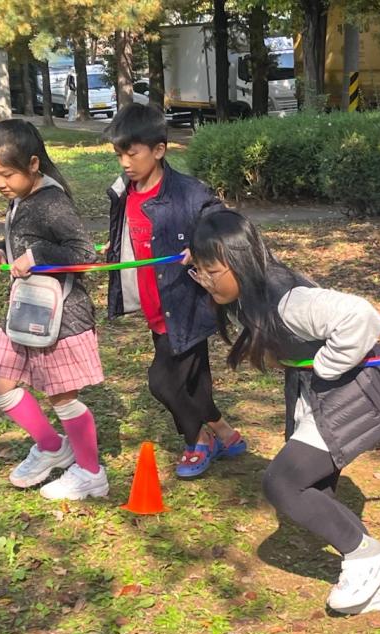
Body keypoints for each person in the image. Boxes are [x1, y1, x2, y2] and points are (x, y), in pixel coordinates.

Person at [190, 209, 380, 614]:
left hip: (358, 388)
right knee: (314, 487)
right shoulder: (242, 290)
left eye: (211, 270)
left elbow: (361, 316)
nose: (204, 280)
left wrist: (324, 365)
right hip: (322, 392)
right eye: (199, 270)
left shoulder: (291, 300)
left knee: (283, 482)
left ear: (239, 261)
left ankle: (368, 556)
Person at [104, 103, 246, 478]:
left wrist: (202, 244)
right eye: (119, 154)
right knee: (195, 380)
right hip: (156, 308)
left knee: (163, 382)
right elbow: (132, 232)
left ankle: (198, 440)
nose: (125, 163)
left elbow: (225, 221)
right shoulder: (124, 192)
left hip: (186, 306)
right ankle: (224, 432)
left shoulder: (187, 193)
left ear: (159, 150)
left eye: (132, 153)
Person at [0, 119, 108, 500]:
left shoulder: (52, 202)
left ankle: (91, 473)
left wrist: (37, 255)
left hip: (61, 317)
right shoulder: (21, 197)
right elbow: (23, 235)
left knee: (62, 397)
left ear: (33, 164)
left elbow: (83, 253)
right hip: (25, 312)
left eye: (7, 174)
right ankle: (52, 446)